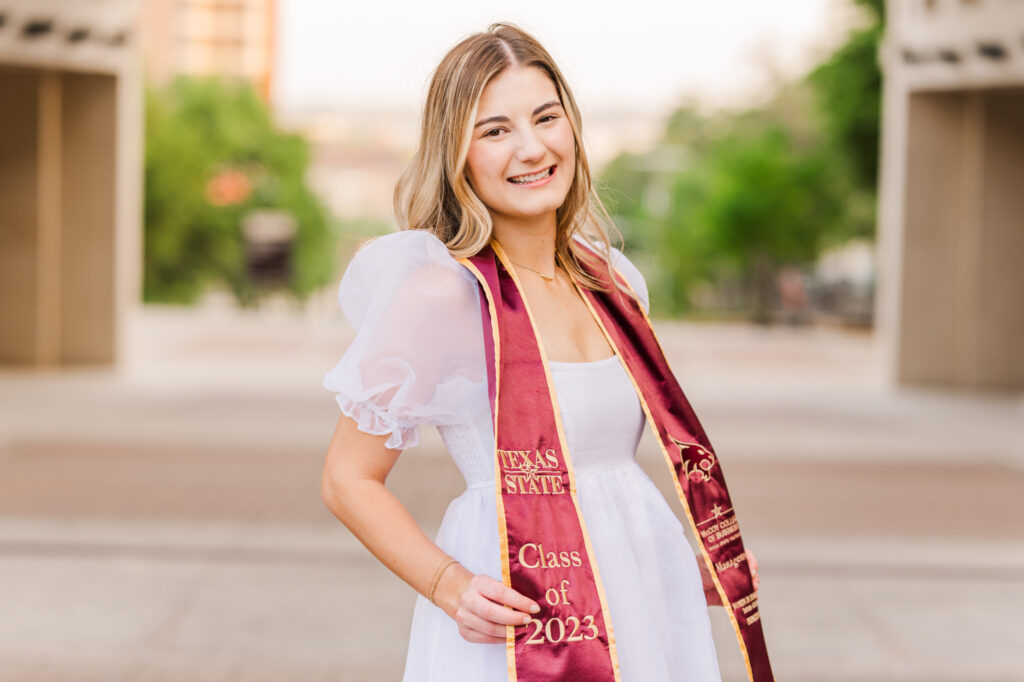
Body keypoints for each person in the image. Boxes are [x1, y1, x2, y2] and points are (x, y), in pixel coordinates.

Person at [320, 23, 760, 681]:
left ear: (573, 128)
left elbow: (605, 469)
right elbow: (347, 478)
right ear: (457, 153)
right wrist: (448, 584)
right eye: (495, 130)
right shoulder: (445, 295)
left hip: (633, 597)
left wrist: (668, 561)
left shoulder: (613, 281)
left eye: (545, 118)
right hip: (520, 608)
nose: (531, 148)